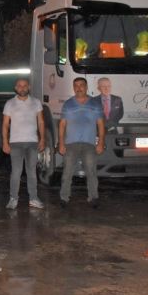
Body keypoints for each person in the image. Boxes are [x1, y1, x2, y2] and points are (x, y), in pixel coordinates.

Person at [58, 77, 105, 209]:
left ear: (86, 87)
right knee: (67, 171)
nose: (79, 88)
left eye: (81, 85)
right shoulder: (68, 104)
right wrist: (61, 143)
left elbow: (100, 125)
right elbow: (62, 125)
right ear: (73, 88)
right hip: (71, 144)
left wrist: (101, 142)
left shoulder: (95, 104)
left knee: (91, 171)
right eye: (76, 86)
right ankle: (64, 197)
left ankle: (93, 197)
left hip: (89, 144)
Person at [1, 78, 45, 210]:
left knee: (32, 172)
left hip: (32, 142)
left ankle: (33, 198)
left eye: (25, 85)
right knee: (16, 172)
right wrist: (5, 142)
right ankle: (13, 198)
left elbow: (41, 122)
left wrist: (42, 139)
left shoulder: (36, 102)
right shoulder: (10, 103)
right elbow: (5, 125)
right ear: (16, 88)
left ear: (29, 87)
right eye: (19, 86)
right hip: (16, 143)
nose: (22, 88)